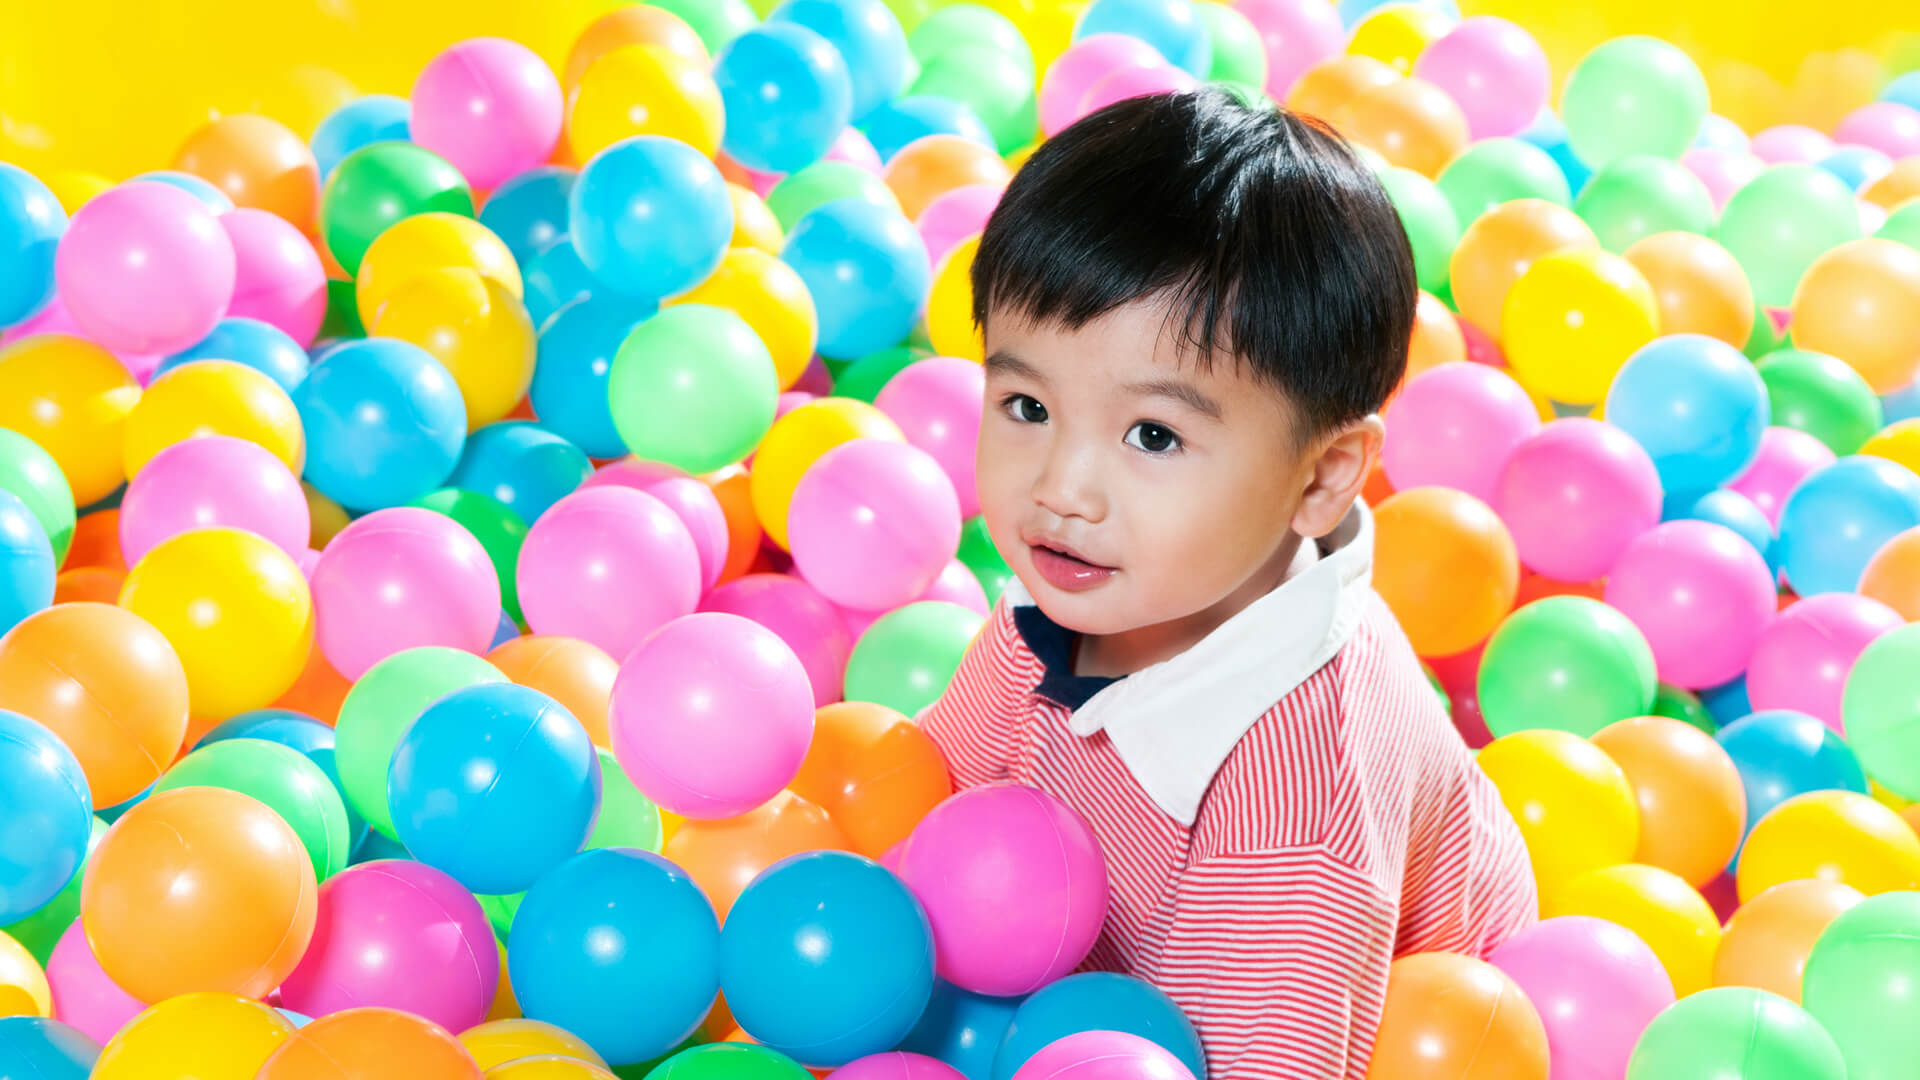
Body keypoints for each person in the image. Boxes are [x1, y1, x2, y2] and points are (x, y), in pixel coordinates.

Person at [918, 88, 1537, 1079]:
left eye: (1154, 435)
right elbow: (930, 807)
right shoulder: (1086, 590)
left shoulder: (1297, 805)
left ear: (1322, 476)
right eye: (1026, 404)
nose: (1061, 489)